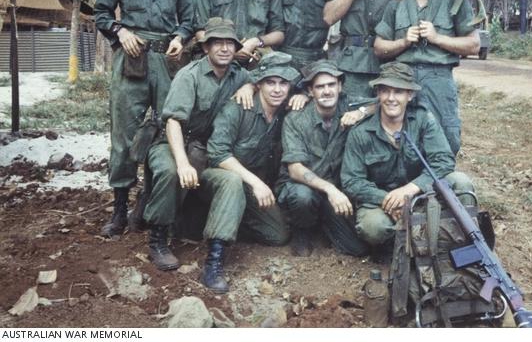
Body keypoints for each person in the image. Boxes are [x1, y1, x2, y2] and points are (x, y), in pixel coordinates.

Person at [94, 0, 194, 237]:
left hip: (166, 59)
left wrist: (180, 36)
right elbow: (102, 12)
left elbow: (188, 17)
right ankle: (119, 210)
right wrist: (121, 32)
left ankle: (150, 202)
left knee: (169, 131)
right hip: (131, 57)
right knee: (123, 136)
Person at [142, 18, 253, 271]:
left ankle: (216, 250)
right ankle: (158, 238)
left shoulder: (239, 74)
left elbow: (261, 78)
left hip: (207, 150)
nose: (225, 49)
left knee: (230, 181)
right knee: (171, 172)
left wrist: (250, 85)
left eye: (230, 44)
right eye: (218, 44)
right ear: (205, 48)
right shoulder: (189, 75)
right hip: (172, 142)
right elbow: (173, 122)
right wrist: (182, 163)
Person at [340, 62, 475, 252]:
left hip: (422, 194)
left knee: (461, 181)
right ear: (378, 94)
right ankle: (406, 244)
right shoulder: (361, 132)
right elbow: (352, 181)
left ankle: (463, 241)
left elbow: (444, 161)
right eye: (385, 91)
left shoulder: (423, 120)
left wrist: (411, 189)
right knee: (373, 227)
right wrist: (388, 199)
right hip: (382, 201)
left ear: (409, 95)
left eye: (398, 92)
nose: (391, 98)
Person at [199, 52, 298, 293]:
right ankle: (214, 262)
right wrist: (256, 183)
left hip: (248, 187)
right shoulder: (238, 107)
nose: (277, 89)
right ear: (259, 83)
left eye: (283, 83)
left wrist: (303, 96)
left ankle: (226, 220)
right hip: (218, 179)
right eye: (270, 82)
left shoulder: (284, 112)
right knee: (232, 182)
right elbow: (218, 154)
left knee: (278, 235)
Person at [374, 0, 480, 155]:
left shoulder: (454, 0)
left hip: (438, 79)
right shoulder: (397, 2)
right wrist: (403, 42)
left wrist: (437, 38)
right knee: (401, 140)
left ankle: (443, 185)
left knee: (446, 137)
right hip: (403, 79)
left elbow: (474, 45)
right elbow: (379, 46)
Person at [276, 60, 372, 257]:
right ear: (310, 91)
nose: (327, 91)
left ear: (340, 86)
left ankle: (326, 223)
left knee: (356, 248)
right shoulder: (296, 119)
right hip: (303, 185)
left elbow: (380, 104)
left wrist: (360, 112)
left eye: (331, 85)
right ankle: (302, 231)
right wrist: (330, 190)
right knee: (302, 197)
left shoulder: (348, 104)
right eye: (320, 87)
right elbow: (295, 169)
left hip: (334, 187)